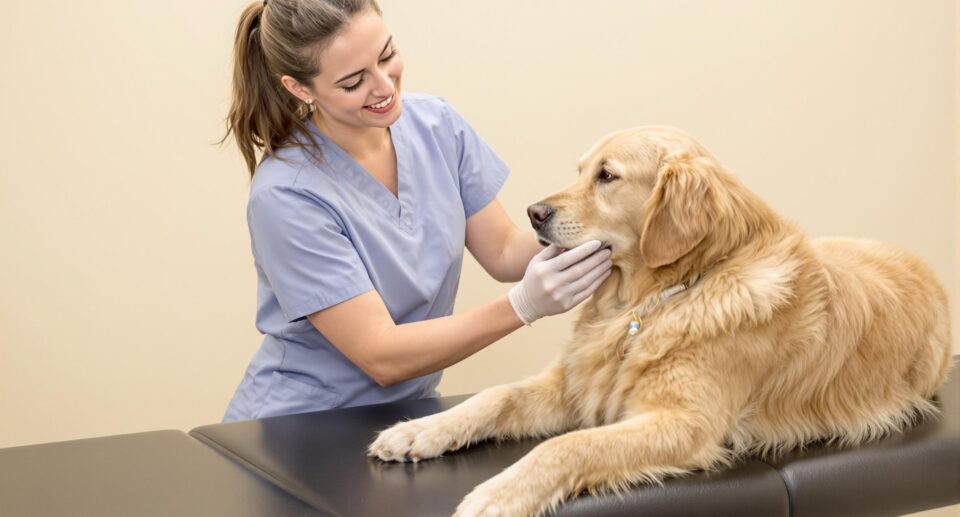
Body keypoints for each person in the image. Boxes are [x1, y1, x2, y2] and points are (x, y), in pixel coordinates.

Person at [220, 0, 612, 421]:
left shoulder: (436, 125)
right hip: (302, 427)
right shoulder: (286, 194)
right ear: (301, 89)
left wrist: (598, 224)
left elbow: (502, 250)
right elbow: (381, 354)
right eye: (354, 81)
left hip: (404, 415)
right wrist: (523, 305)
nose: (384, 86)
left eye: (387, 55)